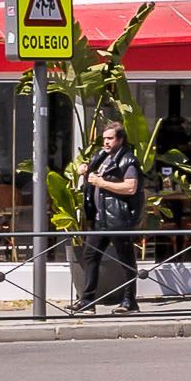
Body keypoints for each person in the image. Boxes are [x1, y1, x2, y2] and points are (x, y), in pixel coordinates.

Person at [80, 117, 144, 313]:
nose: (106, 142)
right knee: (90, 256)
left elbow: (131, 187)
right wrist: (85, 171)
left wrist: (102, 184)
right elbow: (93, 175)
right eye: (104, 138)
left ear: (120, 140)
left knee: (125, 260)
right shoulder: (101, 156)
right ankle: (87, 301)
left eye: (110, 138)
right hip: (101, 219)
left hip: (118, 219)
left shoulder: (128, 160)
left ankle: (129, 302)